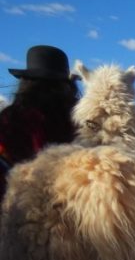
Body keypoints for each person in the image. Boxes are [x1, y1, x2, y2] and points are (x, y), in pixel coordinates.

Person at [0, 45, 79, 202]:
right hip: (68, 200)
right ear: (66, 85)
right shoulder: (75, 119)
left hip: (13, 200)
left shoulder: (9, 117)